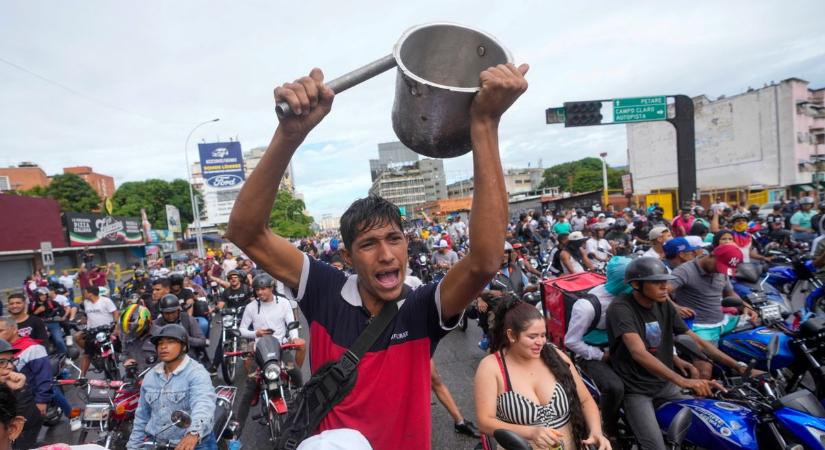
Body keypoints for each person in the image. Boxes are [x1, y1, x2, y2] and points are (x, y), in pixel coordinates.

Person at [225, 62, 527, 450]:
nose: (386, 255)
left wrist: (484, 125)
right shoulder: (324, 289)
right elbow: (246, 232)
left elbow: (485, 262)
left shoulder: (421, 306)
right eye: (368, 245)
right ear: (348, 258)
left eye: (394, 239)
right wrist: (289, 135)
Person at [606, 257, 759, 450]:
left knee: (710, 427)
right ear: (636, 284)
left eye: (665, 281)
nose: (665, 287)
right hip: (637, 390)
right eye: (656, 282)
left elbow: (696, 339)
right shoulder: (621, 308)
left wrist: (738, 366)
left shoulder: (663, 304)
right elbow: (638, 352)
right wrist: (683, 381)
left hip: (665, 385)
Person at [475, 299, 610, 450]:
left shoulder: (555, 356)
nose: (540, 342)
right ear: (512, 335)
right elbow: (484, 422)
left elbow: (585, 400)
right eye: (532, 337)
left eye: (543, 335)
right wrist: (531, 432)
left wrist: (597, 431)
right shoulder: (491, 367)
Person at [564, 257, 632, 440]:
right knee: (614, 387)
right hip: (593, 353)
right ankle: (608, 425)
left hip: (622, 348)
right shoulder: (588, 306)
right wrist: (600, 355)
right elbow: (571, 341)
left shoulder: (631, 297)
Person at [669, 245, 756, 378]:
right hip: (698, 328)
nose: (719, 271)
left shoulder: (721, 272)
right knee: (704, 371)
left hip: (723, 323)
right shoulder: (685, 271)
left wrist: (745, 307)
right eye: (719, 266)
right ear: (712, 255)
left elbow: (730, 293)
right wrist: (675, 307)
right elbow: (661, 292)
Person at [127, 324, 217, 450]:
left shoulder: (196, 373)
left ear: (184, 346)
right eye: (160, 343)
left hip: (195, 442)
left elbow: (203, 403)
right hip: (158, 443)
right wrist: (133, 446)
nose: (163, 346)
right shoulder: (150, 377)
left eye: (170, 342)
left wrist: (193, 433)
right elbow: (142, 416)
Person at [236, 273, 306, 427]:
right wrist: (256, 333)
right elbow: (241, 330)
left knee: (297, 374)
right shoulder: (251, 307)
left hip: (280, 347)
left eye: (263, 289)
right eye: (257, 290)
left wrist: (294, 338)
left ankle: (300, 396)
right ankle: (236, 430)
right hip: (260, 350)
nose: (260, 293)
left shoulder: (284, 303)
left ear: (271, 288)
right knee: (248, 390)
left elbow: (291, 324)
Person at [150, 295, 208, 364]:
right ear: (162, 313)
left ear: (178, 310)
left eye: (173, 312)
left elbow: (202, 341)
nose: (170, 316)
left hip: (188, 358)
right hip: (164, 360)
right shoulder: (156, 324)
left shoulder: (188, 319)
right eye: (167, 313)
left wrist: (185, 339)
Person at [78, 286, 119, 378]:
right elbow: (87, 316)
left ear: (90, 293)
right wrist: (83, 321)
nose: (84, 294)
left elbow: (115, 313)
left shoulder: (106, 301)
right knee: (87, 353)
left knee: (119, 345)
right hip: (92, 331)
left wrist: (116, 326)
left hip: (107, 329)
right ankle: (82, 376)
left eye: (85, 292)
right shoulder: (86, 302)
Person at [29, 287, 68, 355]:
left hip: (53, 324)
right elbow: (28, 317)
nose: (44, 296)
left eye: (45, 294)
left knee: (59, 340)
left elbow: (62, 310)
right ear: (37, 295)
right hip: (39, 326)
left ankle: (65, 356)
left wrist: (59, 316)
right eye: (41, 294)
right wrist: (36, 312)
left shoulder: (51, 302)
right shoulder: (32, 305)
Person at [120, 304, 155, 372]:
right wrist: (126, 360)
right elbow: (124, 353)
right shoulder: (127, 334)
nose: (131, 333)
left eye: (134, 328)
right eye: (128, 328)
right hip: (135, 375)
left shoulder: (159, 335)